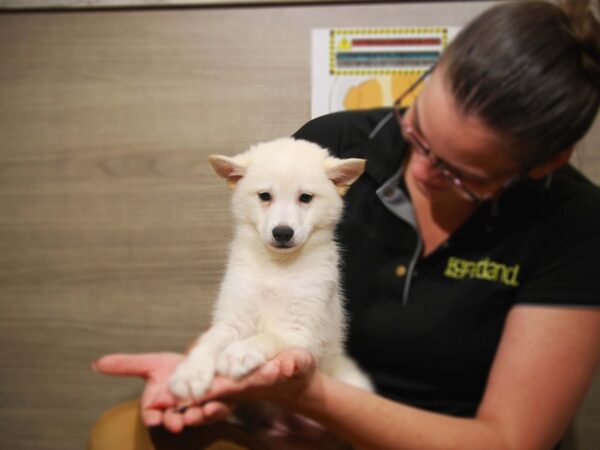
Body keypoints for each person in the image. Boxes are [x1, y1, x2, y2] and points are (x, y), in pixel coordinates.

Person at [90, 1, 600, 449]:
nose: (419, 170)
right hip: (297, 411)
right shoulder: (332, 147)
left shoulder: (576, 224)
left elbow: (510, 440)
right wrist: (211, 379)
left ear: (544, 164)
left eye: (457, 172)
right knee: (126, 432)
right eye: (417, 127)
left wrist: (313, 398)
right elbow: (258, 297)